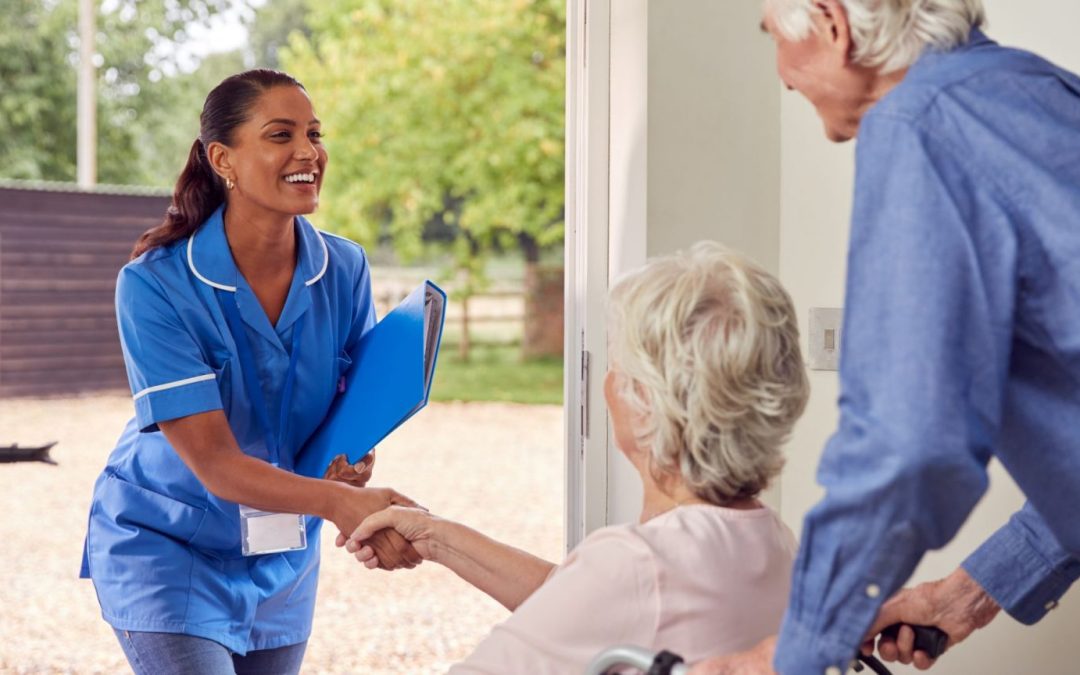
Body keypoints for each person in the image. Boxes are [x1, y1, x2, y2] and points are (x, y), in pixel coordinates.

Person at [689, 1, 1080, 673]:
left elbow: (907, 442)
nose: (782, 77)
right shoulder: (1034, 90)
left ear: (830, 23)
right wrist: (964, 595)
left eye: (773, 40)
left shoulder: (918, 123)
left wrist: (789, 655)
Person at [79, 69, 423, 675]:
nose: (308, 152)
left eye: (314, 134)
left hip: (282, 556)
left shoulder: (344, 268)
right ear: (224, 159)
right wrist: (339, 505)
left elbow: (350, 411)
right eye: (280, 134)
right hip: (167, 547)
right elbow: (216, 464)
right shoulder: (154, 284)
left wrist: (352, 466)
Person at [345, 242, 811, 673]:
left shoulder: (637, 564)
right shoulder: (775, 542)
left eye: (616, 366)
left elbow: (604, 600)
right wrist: (435, 537)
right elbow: (583, 607)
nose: (607, 383)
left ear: (645, 401)